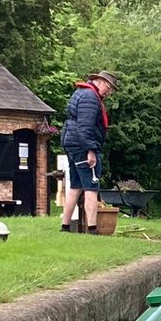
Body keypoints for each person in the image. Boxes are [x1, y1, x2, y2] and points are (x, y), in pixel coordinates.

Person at [60, 71, 119, 234]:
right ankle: (92, 229)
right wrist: (91, 150)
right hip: (82, 146)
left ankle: (65, 227)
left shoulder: (81, 92)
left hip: (72, 143)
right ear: (99, 81)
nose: (109, 92)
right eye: (109, 87)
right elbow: (85, 127)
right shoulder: (90, 98)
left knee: (76, 187)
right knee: (91, 188)